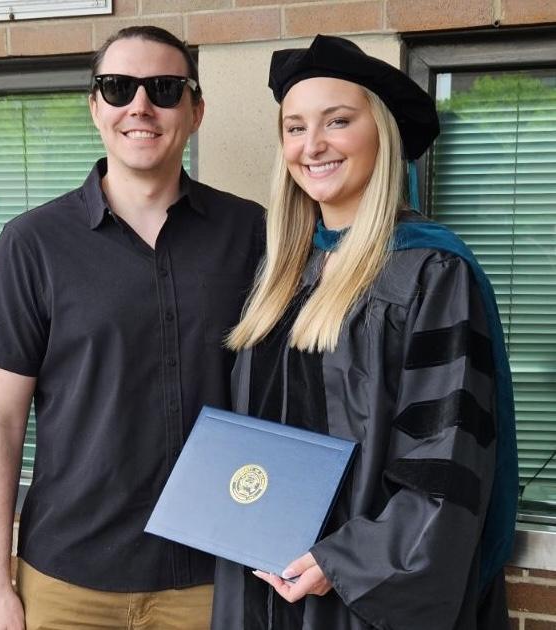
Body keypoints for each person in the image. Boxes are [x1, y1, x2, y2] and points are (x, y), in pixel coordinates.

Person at [0, 25, 264, 630]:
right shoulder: (33, 243)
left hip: (211, 576)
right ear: (96, 107)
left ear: (196, 110)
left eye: (164, 88)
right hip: (66, 581)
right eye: (119, 87)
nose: (140, 106)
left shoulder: (251, 233)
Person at [211, 34, 518, 629]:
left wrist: (343, 562)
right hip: (261, 576)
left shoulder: (430, 271)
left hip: (358, 590)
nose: (312, 145)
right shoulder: (281, 271)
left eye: (338, 121)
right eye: (295, 128)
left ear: (382, 133)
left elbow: (449, 457)